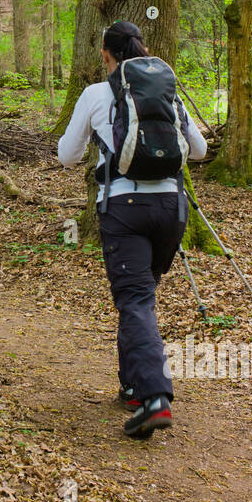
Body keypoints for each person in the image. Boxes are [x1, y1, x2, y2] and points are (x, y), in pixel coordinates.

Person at [57, 21, 207, 438]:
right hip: (171, 209)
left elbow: (67, 155)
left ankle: (155, 397)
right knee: (140, 298)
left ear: (106, 54)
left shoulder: (96, 94)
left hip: (124, 208)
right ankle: (131, 383)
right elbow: (199, 150)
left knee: (136, 300)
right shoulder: (165, 91)